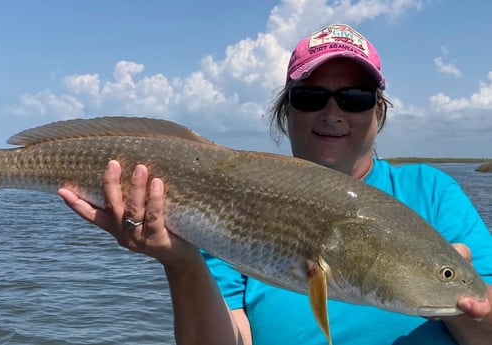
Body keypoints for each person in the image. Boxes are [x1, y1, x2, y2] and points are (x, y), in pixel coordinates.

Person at [58, 23, 492, 345]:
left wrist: (464, 303)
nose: (332, 112)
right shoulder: (228, 208)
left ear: (379, 111)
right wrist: (181, 262)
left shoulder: (433, 193)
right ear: (285, 111)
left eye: (355, 98)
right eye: (310, 97)